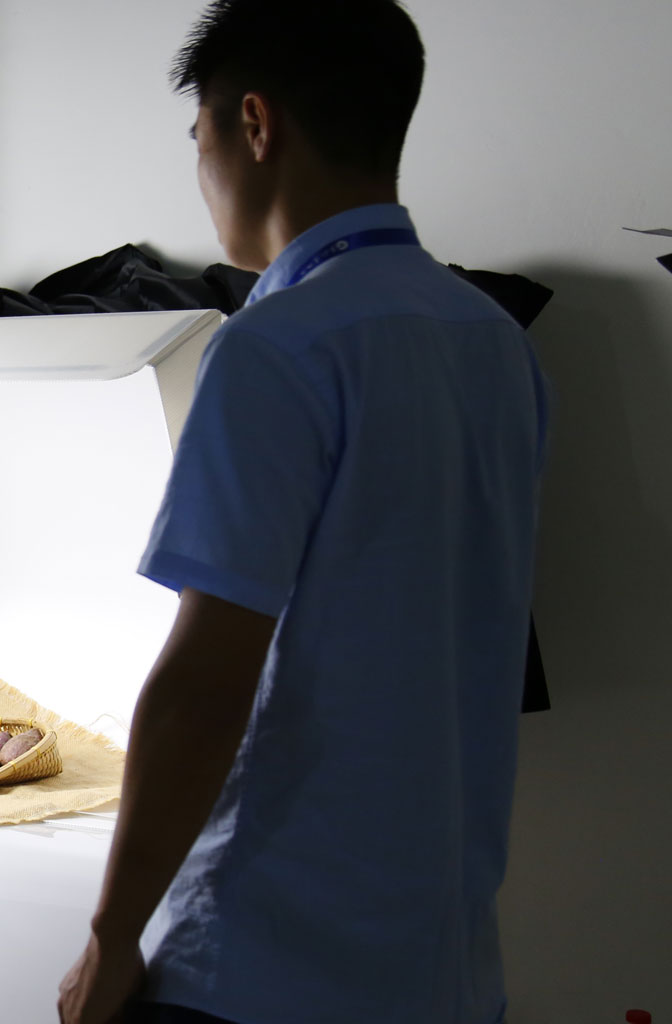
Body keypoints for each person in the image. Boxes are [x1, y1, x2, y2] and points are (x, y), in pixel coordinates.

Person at [56, 2, 547, 1022]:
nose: (200, 173)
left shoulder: (275, 346)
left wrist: (112, 935)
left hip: (269, 959)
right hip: (446, 961)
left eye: (198, 137)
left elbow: (206, 682)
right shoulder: (492, 338)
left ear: (255, 124)